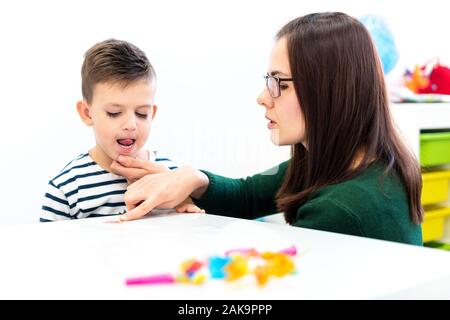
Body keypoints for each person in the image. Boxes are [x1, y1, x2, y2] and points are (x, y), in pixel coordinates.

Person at [113, 12, 423, 245]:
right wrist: (192, 178)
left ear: (328, 91)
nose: (263, 98)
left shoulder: (340, 210)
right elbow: (248, 194)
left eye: (280, 84)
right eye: (268, 81)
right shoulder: (355, 163)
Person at [40, 39, 203, 222]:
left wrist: (188, 207)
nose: (131, 125)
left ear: (152, 113)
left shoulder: (171, 176)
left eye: (142, 114)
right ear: (87, 113)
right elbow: (49, 248)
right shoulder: (67, 187)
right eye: (114, 113)